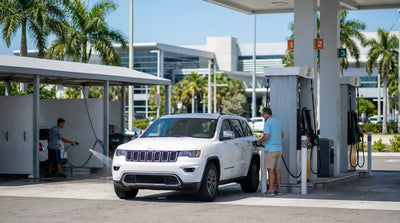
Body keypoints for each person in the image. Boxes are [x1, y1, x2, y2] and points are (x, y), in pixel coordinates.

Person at [256, 107, 284, 196]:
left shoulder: (267, 123)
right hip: (279, 149)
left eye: (262, 114)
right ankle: (278, 189)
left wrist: (260, 141)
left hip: (270, 149)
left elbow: (266, 136)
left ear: (266, 114)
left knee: (270, 170)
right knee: (277, 170)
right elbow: (282, 135)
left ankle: (271, 190)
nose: (262, 116)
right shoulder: (278, 122)